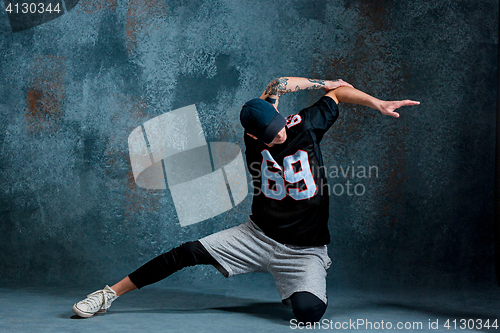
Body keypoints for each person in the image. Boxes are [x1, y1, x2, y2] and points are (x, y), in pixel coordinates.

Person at [72, 77, 419, 323]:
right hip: (255, 237)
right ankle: (107, 295)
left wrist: (369, 100)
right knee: (187, 252)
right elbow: (273, 91)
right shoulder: (254, 139)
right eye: (270, 135)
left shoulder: (305, 125)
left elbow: (311, 88)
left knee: (308, 313)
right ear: (252, 136)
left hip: (304, 250)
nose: (279, 135)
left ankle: (296, 278)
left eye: (280, 127)